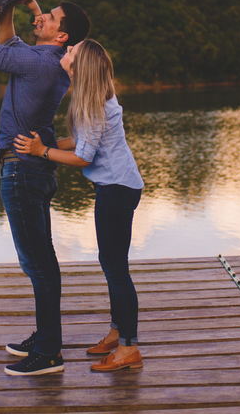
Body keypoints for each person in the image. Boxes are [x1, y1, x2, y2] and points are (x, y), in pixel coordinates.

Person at [0, 0, 91, 376]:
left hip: (21, 170)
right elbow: (9, 39)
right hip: (33, 169)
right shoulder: (46, 60)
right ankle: (46, 336)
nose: (43, 17)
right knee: (41, 260)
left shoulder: (38, 64)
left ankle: (50, 351)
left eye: (50, 18)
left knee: (37, 263)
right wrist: (11, 6)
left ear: (61, 34)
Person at [14, 39, 145, 372]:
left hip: (117, 189)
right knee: (112, 263)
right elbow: (84, 140)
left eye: (72, 50)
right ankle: (118, 333)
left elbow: (82, 155)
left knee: (116, 269)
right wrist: (49, 144)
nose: (68, 48)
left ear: (78, 66)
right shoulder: (95, 98)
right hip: (119, 186)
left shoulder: (95, 104)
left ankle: (129, 348)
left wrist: (40, 152)